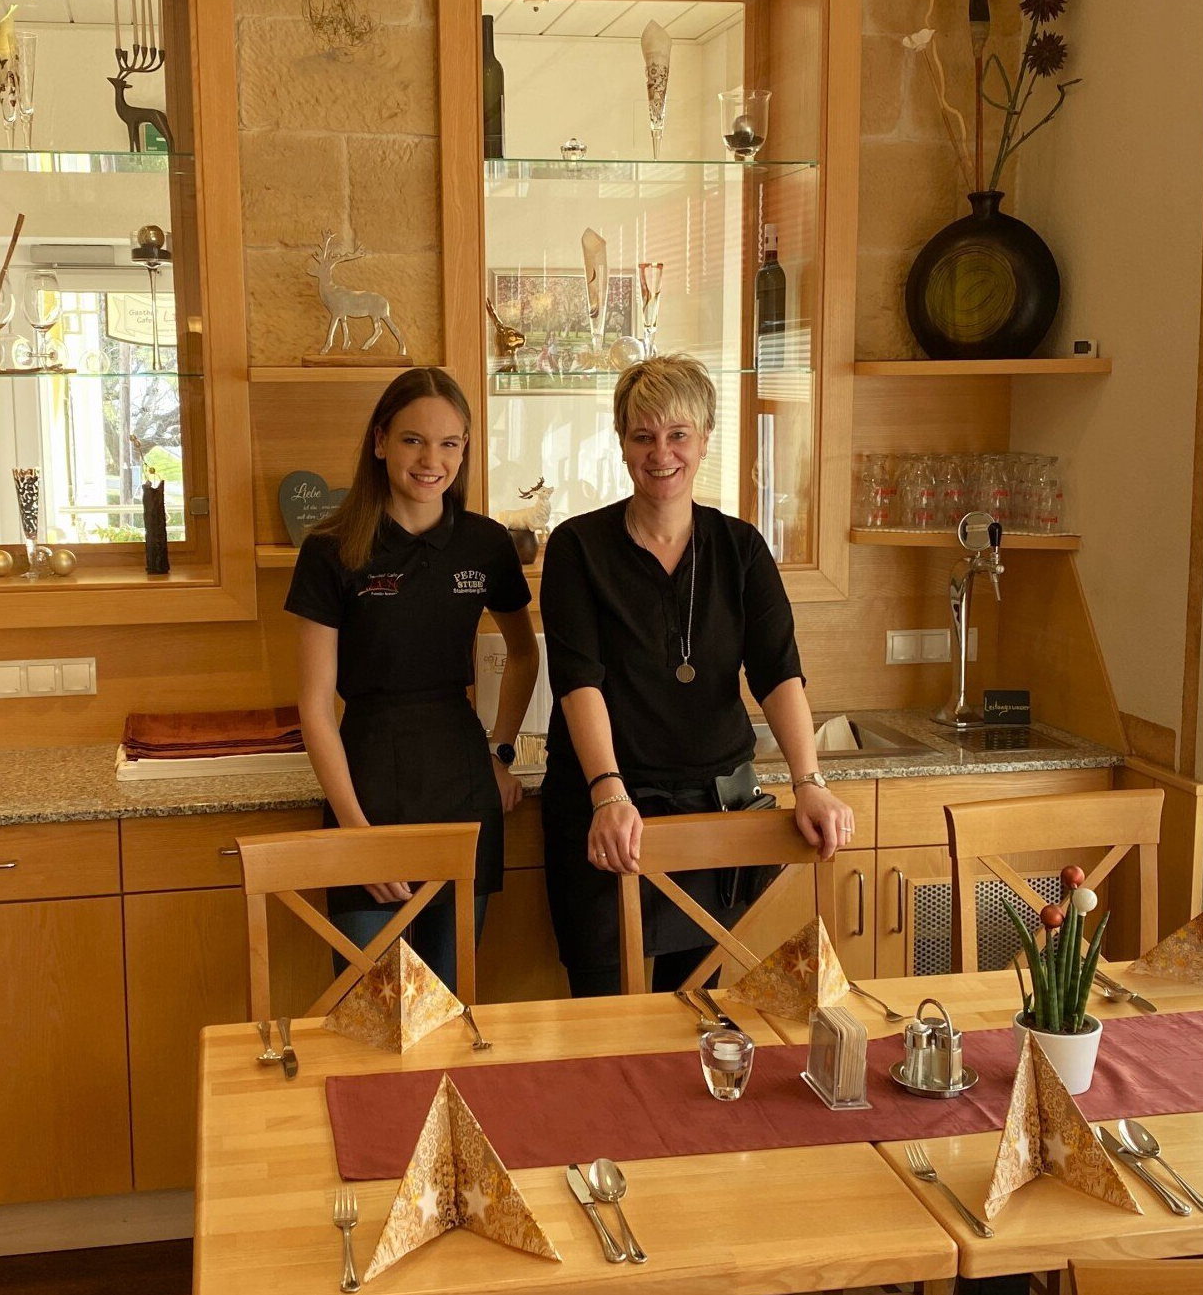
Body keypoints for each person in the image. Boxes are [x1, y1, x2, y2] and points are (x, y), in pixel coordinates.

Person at [539, 353, 854, 997]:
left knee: (698, 1010)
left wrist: (809, 781)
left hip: (713, 813)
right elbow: (578, 681)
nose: (662, 454)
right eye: (643, 436)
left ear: (706, 439)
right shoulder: (578, 548)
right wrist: (608, 793)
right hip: (610, 812)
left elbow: (779, 673)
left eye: (678, 434)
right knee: (602, 1014)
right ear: (622, 443)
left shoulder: (741, 549)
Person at [288, 366, 538, 991]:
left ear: (465, 450)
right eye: (413, 440)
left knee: (451, 1003)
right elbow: (315, 708)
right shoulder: (331, 549)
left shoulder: (485, 544)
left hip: (463, 786)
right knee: (371, 1009)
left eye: (449, 443)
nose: (432, 461)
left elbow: (524, 653)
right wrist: (358, 836)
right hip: (367, 785)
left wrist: (502, 751)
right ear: (380, 441)